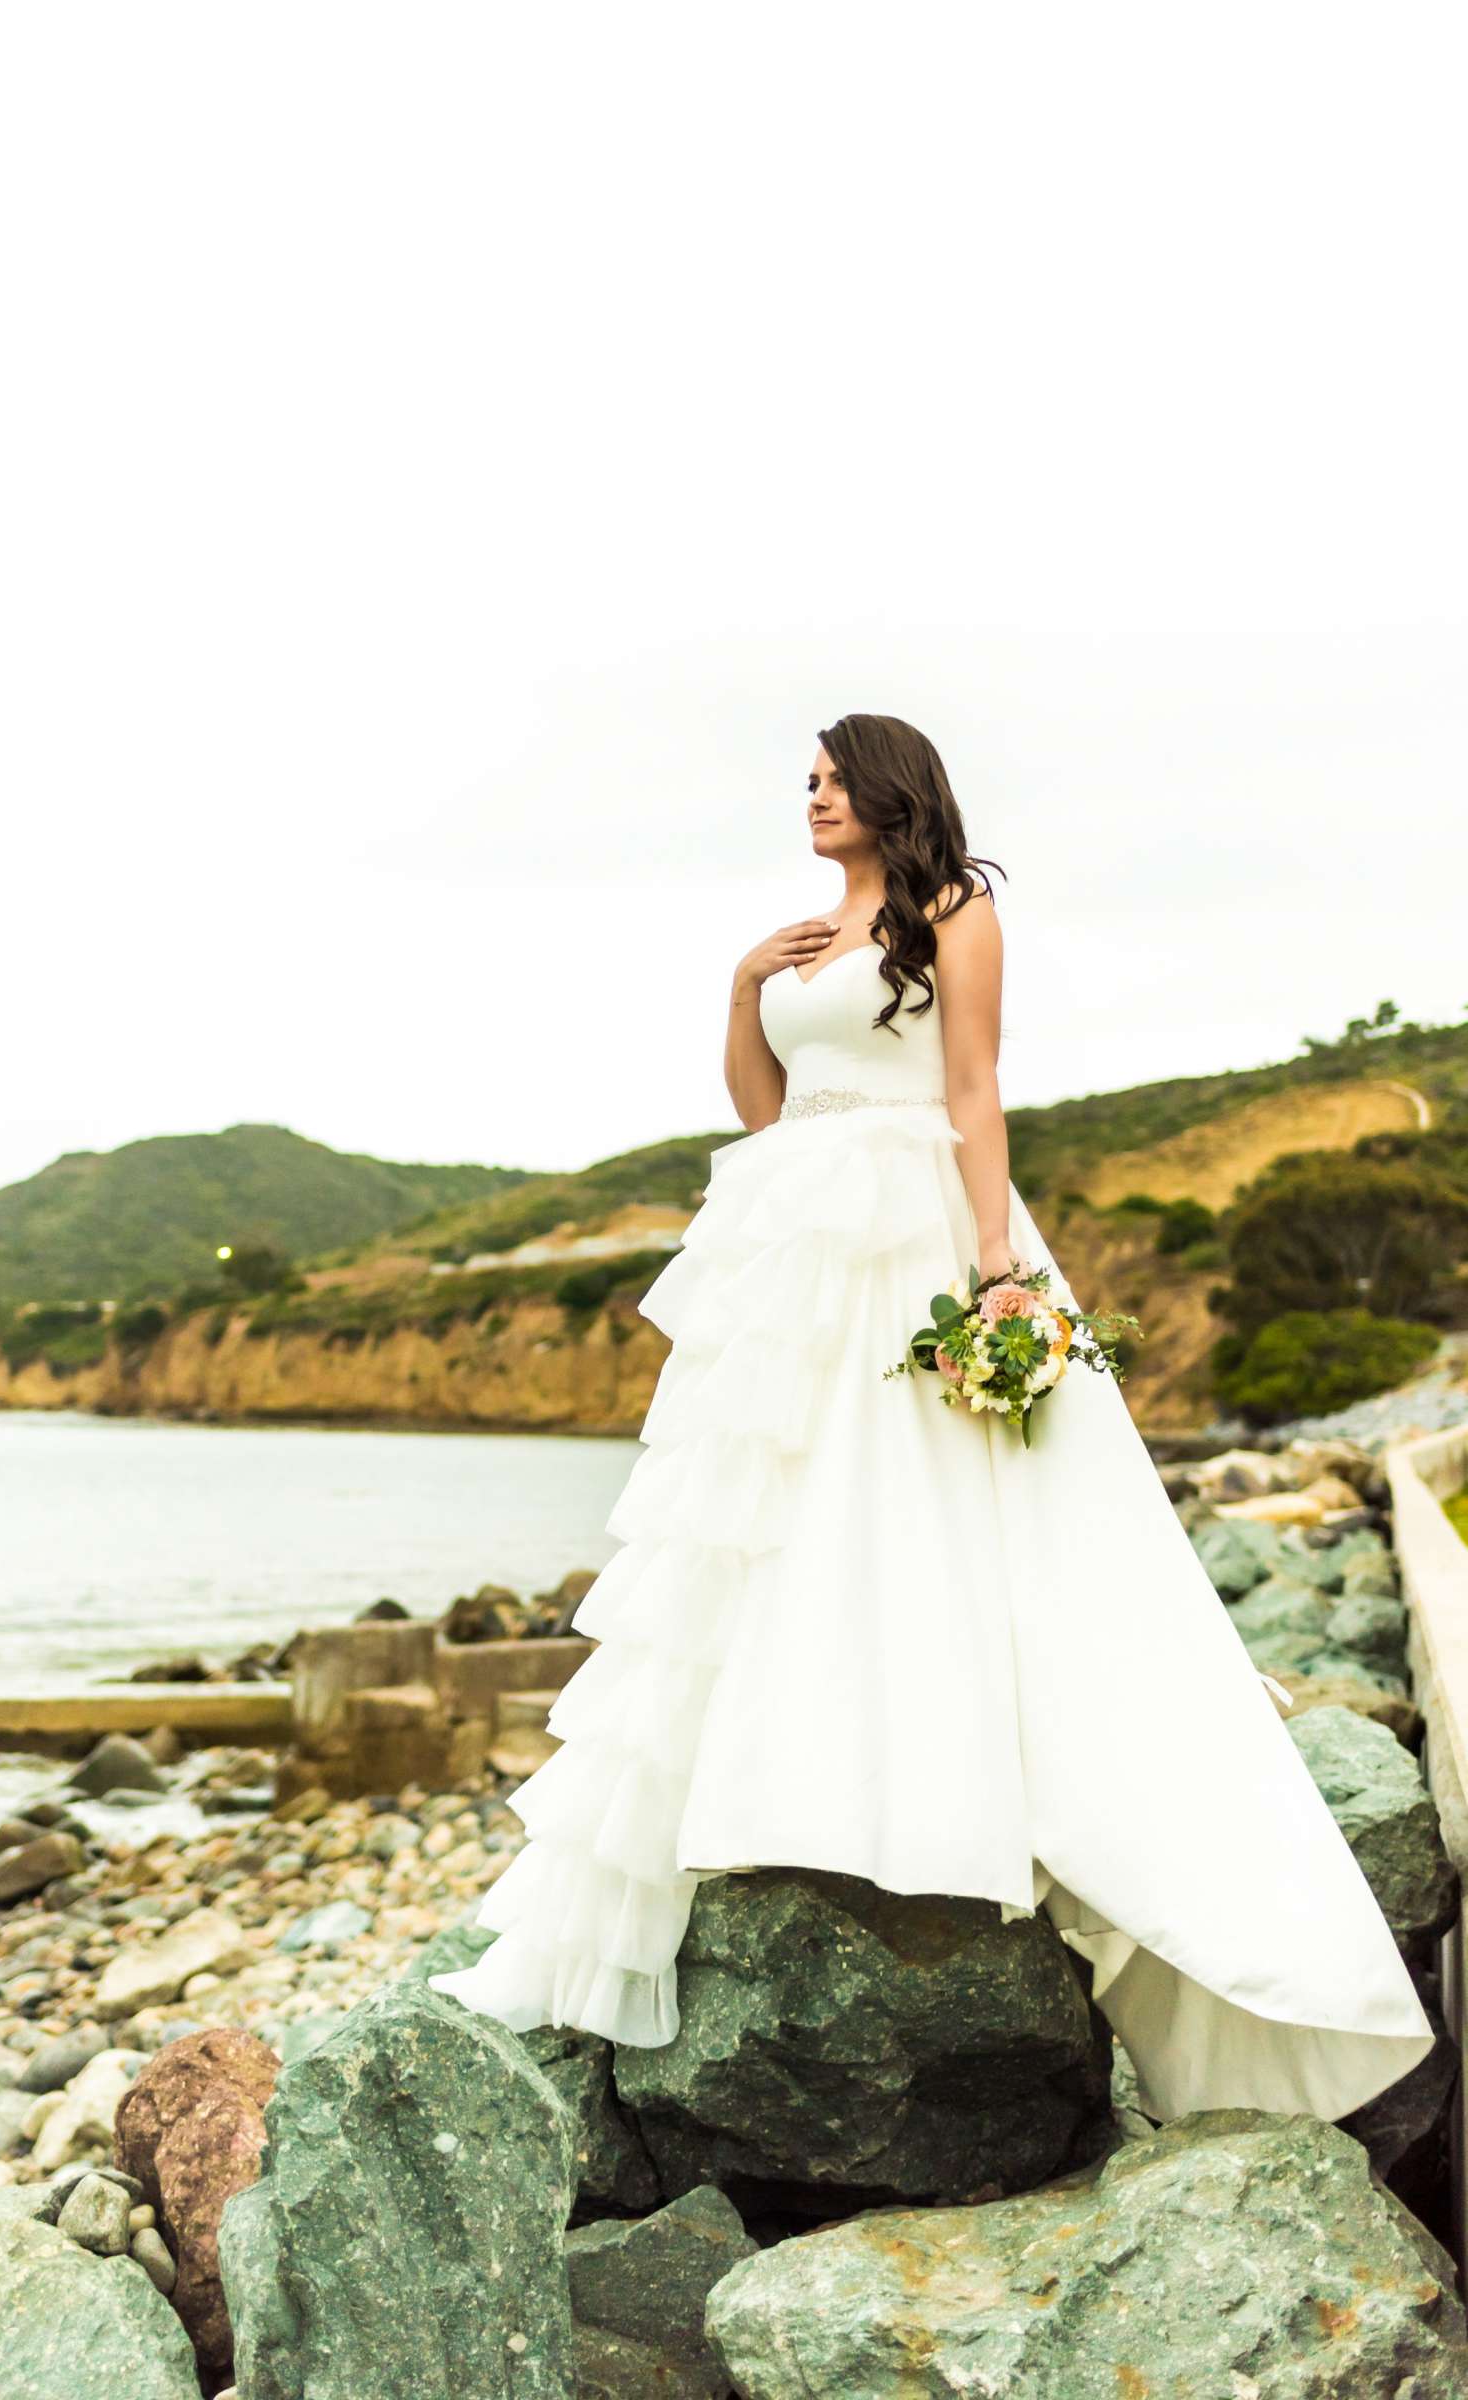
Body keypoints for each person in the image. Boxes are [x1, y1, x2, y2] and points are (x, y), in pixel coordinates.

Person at [432, 710, 1434, 2122]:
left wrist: (997, 1266)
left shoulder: (956, 910)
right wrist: (737, 991)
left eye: (834, 780)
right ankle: (771, 1788)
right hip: (797, 1233)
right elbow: (767, 1112)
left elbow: (973, 1087)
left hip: (912, 1226)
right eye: (806, 781)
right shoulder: (797, 937)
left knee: (915, 1500)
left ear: (892, 788)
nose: (813, 799)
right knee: (768, 1507)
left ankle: (933, 1796)